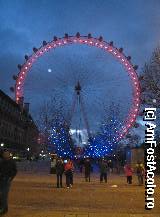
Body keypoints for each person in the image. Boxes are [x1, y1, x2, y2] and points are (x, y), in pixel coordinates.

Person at [0, 150, 17, 215]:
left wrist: (10, 178)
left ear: (9, 154)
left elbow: (15, 171)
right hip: (1, 179)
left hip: (6, 180)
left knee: (3, 195)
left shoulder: (12, 162)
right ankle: (4, 208)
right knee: (1, 195)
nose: (5, 155)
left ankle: (3, 209)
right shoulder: (2, 161)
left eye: (7, 154)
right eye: (4, 154)